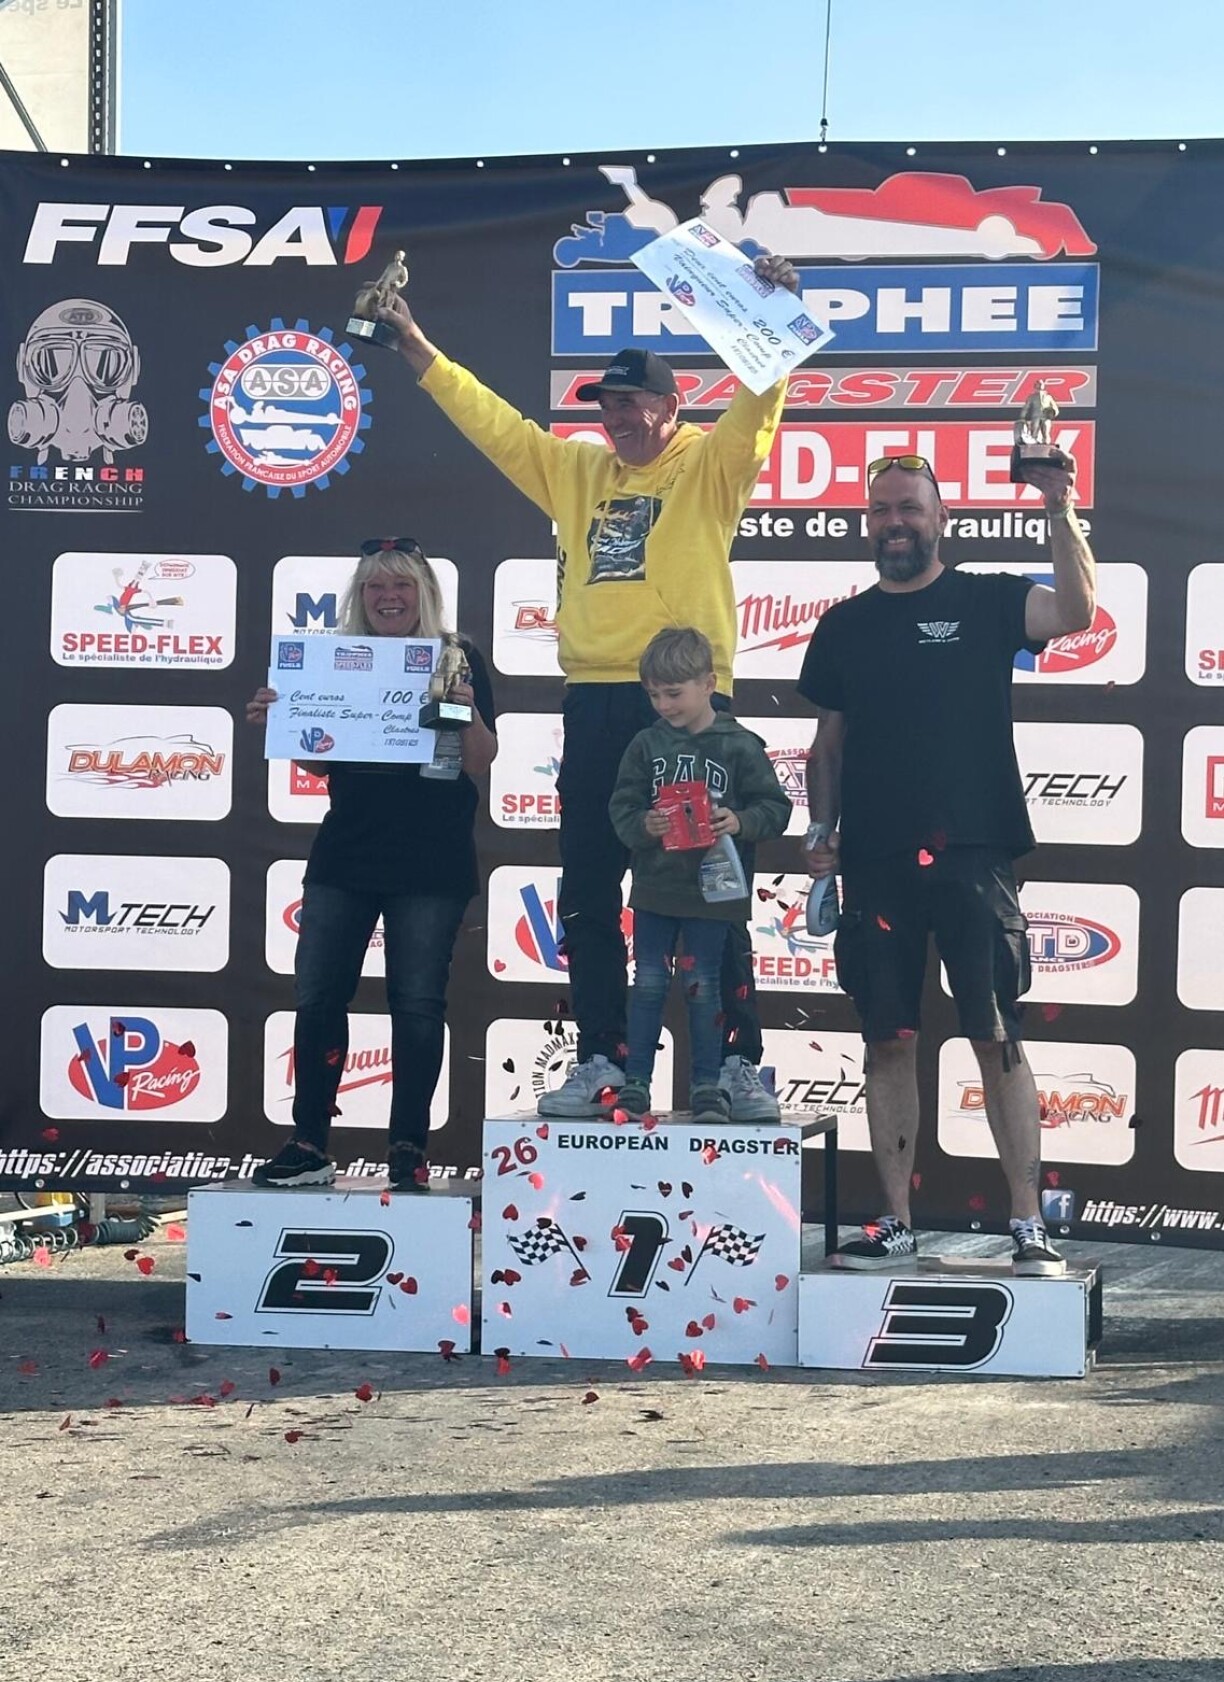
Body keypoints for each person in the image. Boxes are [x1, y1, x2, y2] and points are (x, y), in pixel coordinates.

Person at [375, 258, 799, 1123]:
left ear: (672, 405)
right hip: (597, 703)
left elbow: (759, 404)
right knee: (590, 892)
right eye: (607, 406)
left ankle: (734, 1066)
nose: (618, 418)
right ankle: (603, 1059)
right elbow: (495, 425)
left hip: (688, 712)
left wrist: (777, 315)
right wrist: (415, 346)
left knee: (713, 889)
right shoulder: (576, 471)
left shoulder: (710, 467)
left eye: (633, 403)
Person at [798, 450, 1096, 1275]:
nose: (895, 522)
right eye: (882, 509)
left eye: (910, 508)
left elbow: (1076, 610)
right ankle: (896, 1223)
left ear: (941, 520)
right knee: (887, 1041)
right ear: (868, 524)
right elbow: (826, 746)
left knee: (996, 1037)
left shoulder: (987, 598)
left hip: (974, 851)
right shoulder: (843, 625)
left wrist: (1058, 506)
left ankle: (1027, 1223)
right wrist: (820, 830)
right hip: (874, 860)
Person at [245, 538, 498, 1189]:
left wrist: (467, 708)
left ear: (425, 593)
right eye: (376, 587)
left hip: (431, 859)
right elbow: (320, 760)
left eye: (402, 585)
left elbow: (478, 760)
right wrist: (286, 720)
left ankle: (408, 1148)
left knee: (417, 1004)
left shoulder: (454, 656)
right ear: (360, 597)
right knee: (318, 996)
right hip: (347, 852)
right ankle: (308, 1142)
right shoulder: (335, 657)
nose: (389, 598)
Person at [608, 628, 791, 1123]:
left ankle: (708, 1085)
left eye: (674, 693)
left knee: (704, 985)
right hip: (655, 889)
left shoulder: (739, 744)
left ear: (709, 684)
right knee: (647, 983)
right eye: (653, 695)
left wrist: (740, 821)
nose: (663, 705)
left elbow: (775, 807)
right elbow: (622, 807)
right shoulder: (646, 744)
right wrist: (644, 826)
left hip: (714, 894)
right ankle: (635, 1084)